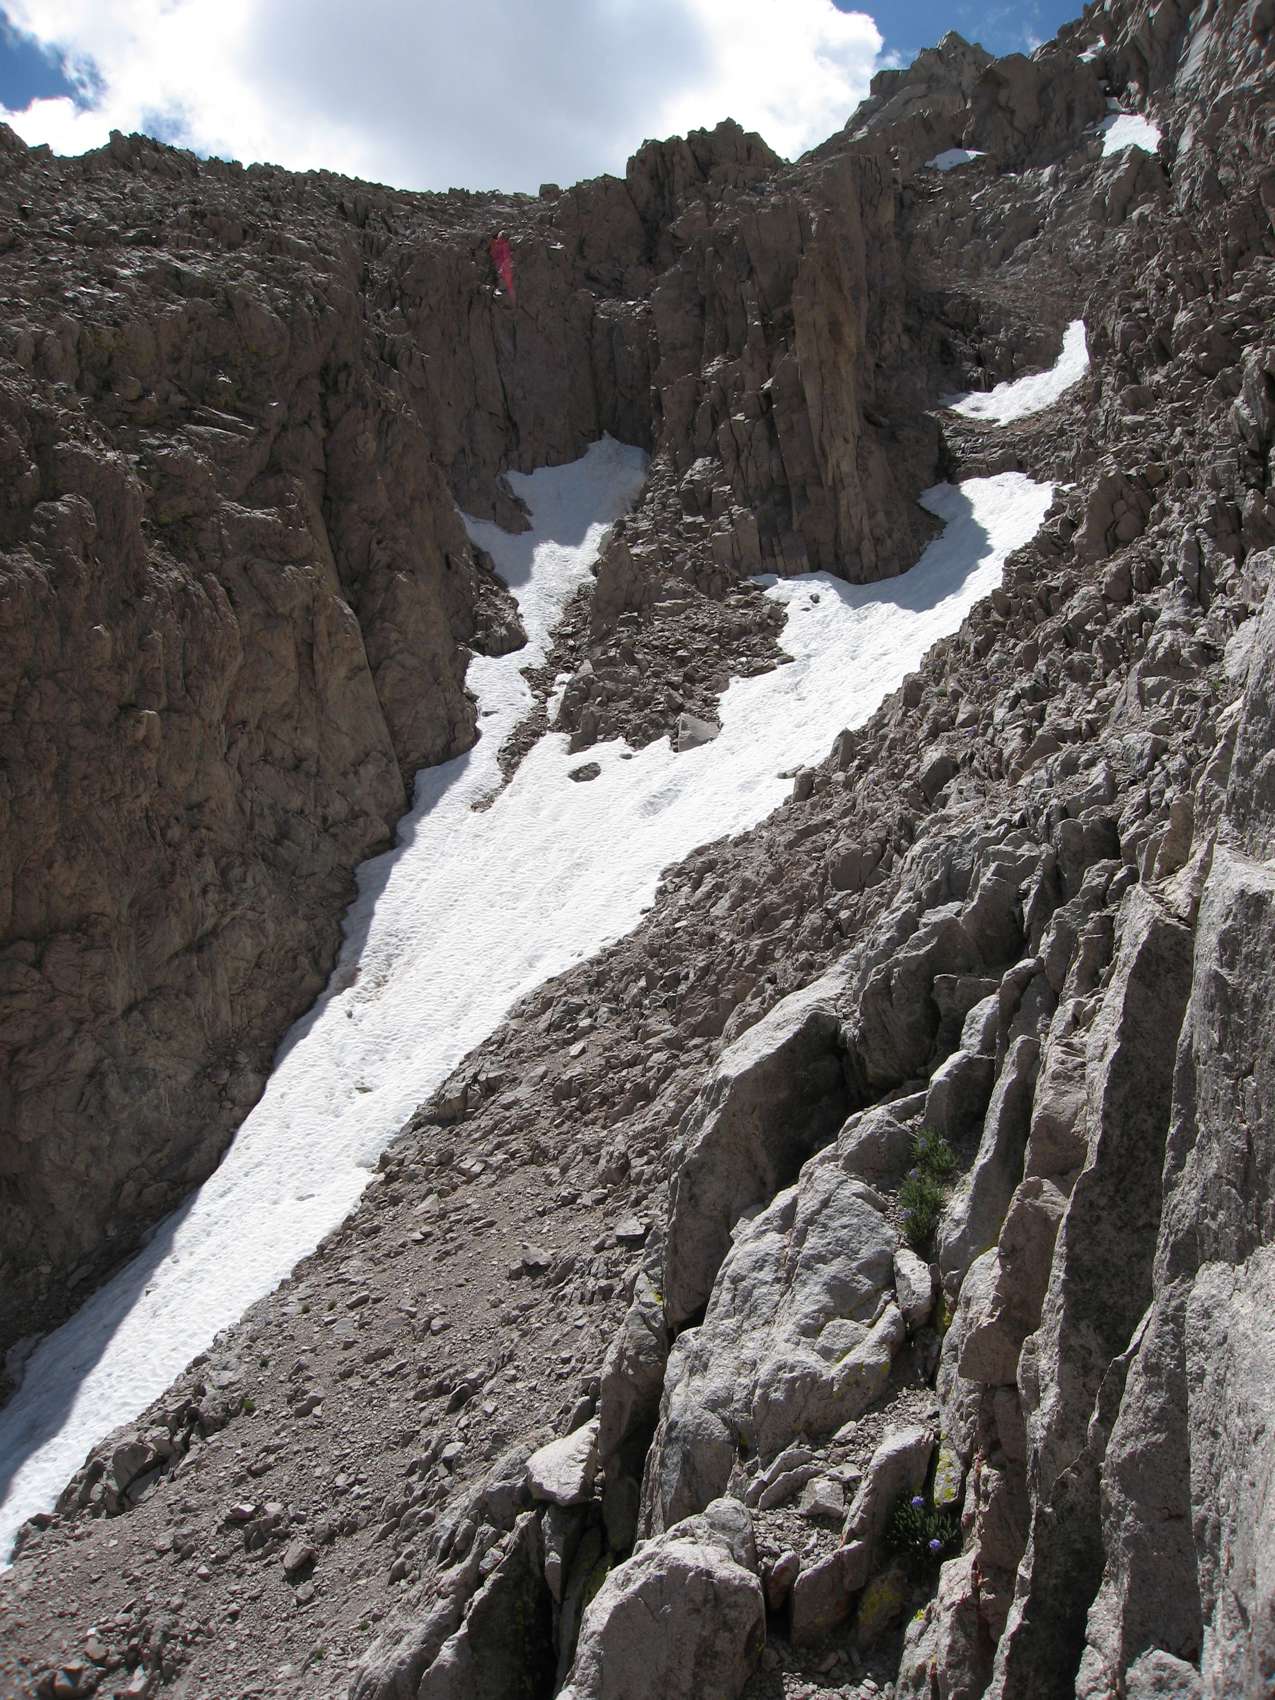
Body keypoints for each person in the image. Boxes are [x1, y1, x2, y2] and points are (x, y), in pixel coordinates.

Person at [489, 231, 516, 305]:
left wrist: (502, 268)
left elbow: (507, 258)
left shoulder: (505, 246)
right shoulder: (496, 243)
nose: (499, 238)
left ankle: (511, 303)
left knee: (507, 285)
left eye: (500, 237)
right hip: (498, 266)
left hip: (503, 268)